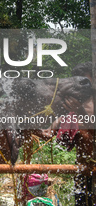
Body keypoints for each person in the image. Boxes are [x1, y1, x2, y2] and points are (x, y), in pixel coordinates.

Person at [41, 62, 94, 206]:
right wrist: (46, 130)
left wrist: (80, 111)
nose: (83, 86)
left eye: (86, 81)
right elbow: (55, 125)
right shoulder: (74, 104)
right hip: (82, 167)